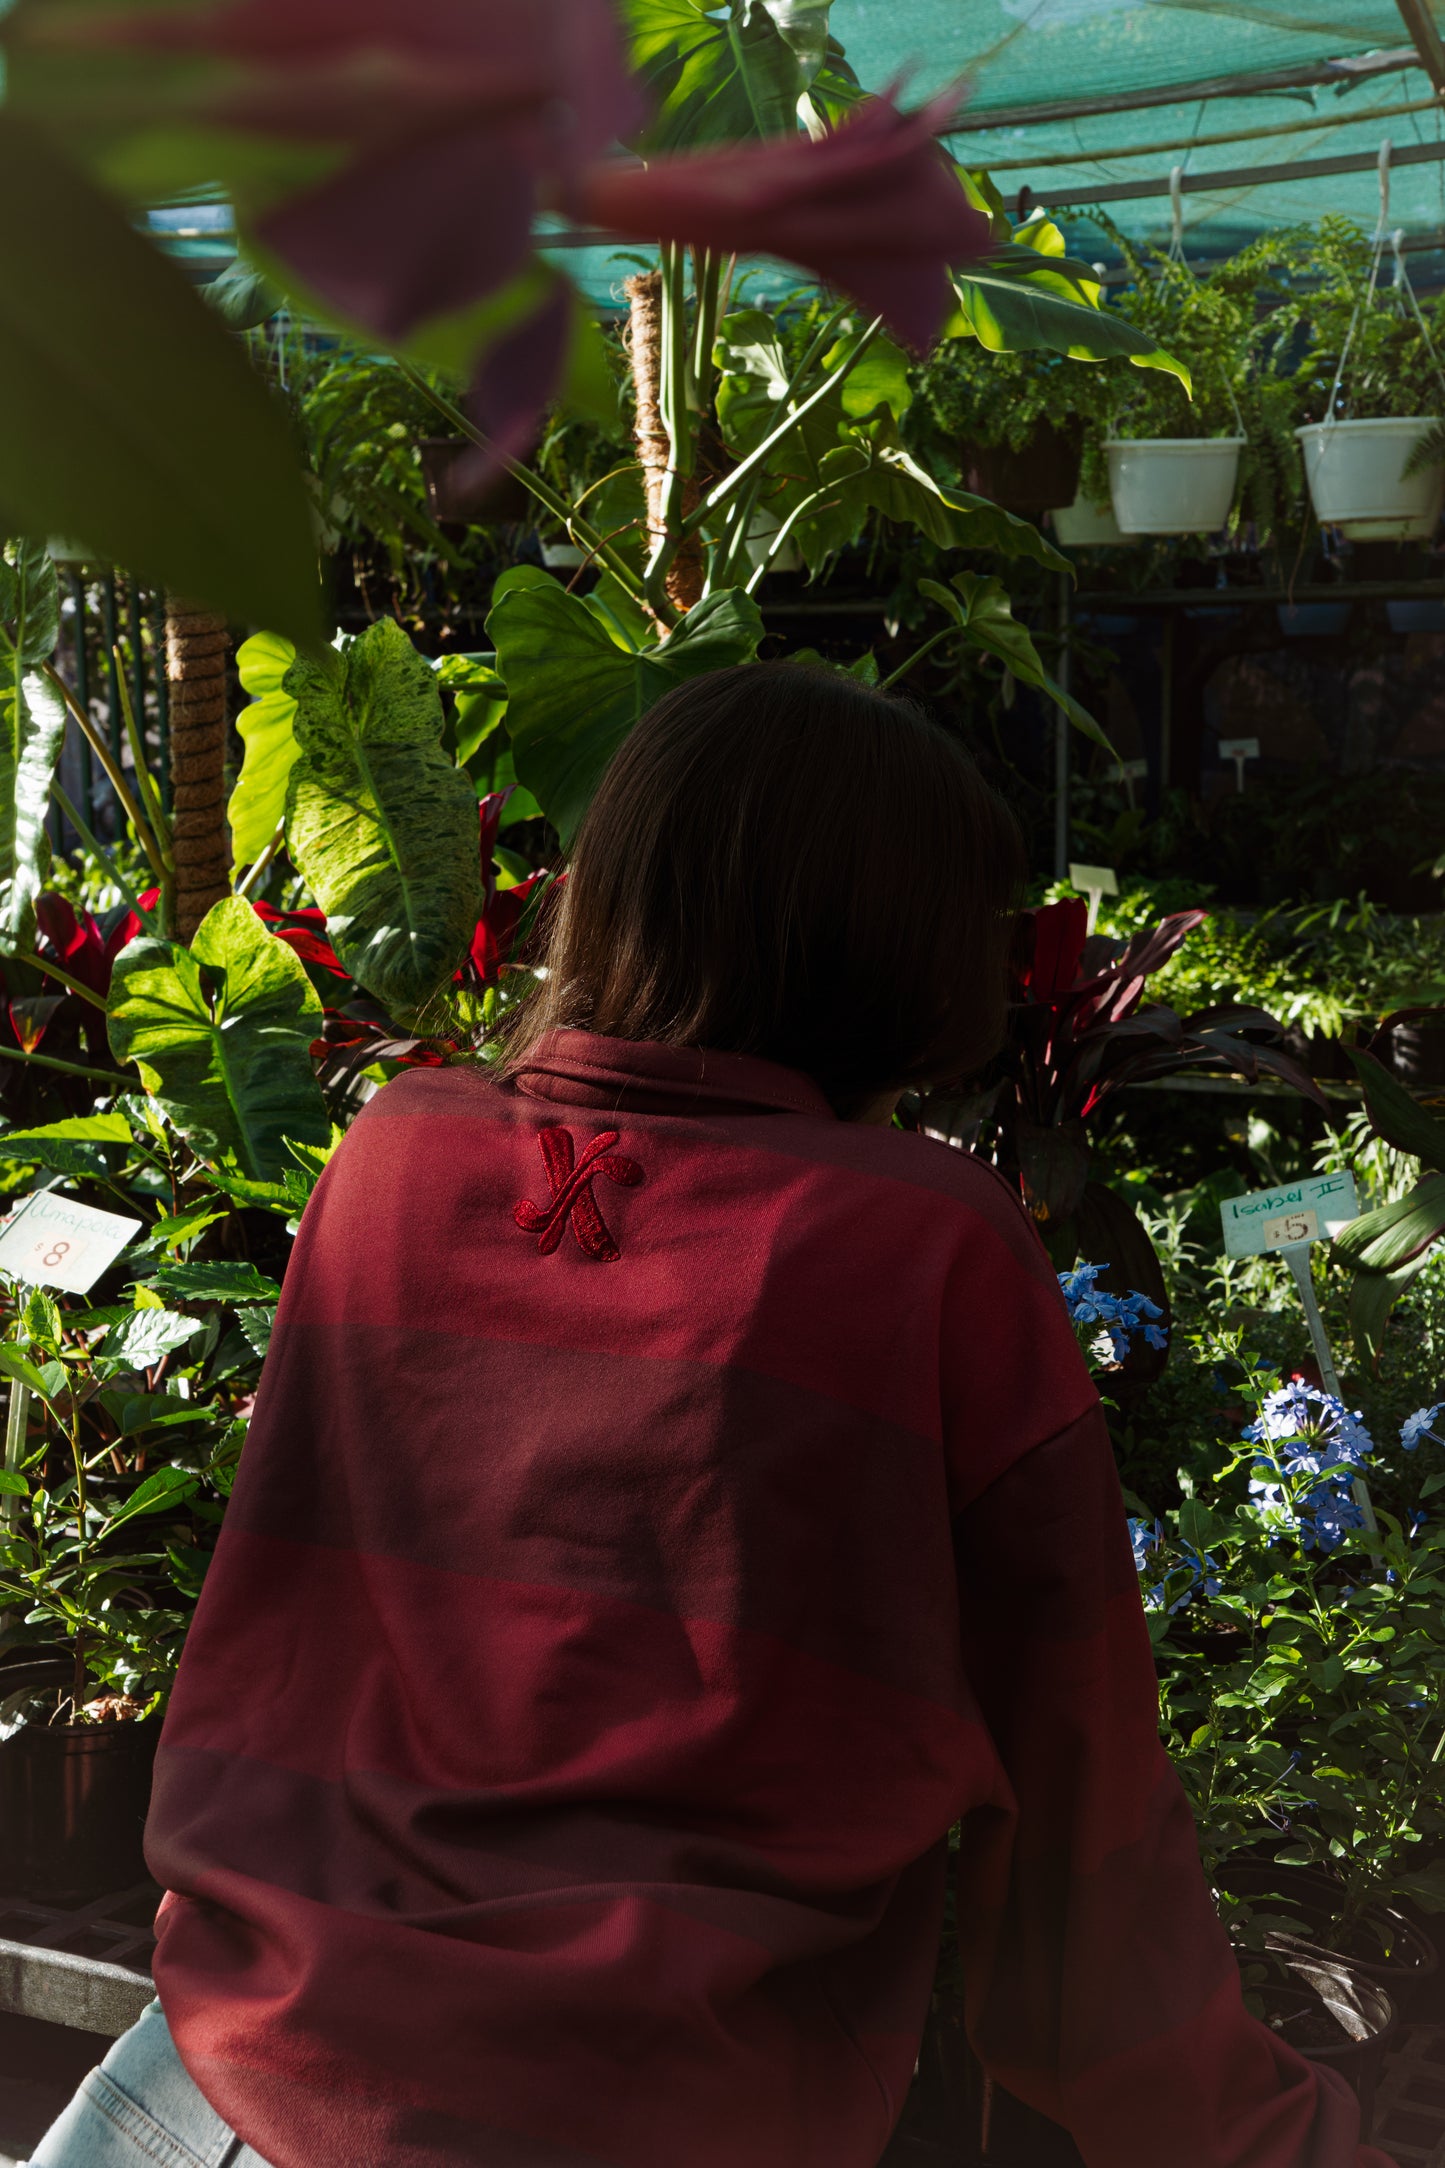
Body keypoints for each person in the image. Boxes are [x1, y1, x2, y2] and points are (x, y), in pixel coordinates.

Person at [28, 664, 1389, 2168]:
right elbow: (1082, 1835)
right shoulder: (924, 1244)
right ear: (903, 952)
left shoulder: (392, 1161)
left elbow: (272, 1647)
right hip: (647, 2109)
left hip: (218, 2088)